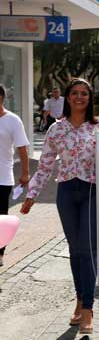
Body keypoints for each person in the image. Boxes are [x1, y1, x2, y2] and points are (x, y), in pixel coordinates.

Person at [21, 78, 99, 334]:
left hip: (92, 191)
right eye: (75, 93)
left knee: (88, 248)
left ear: (90, 97)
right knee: (75, 250)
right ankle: (80, 298)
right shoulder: (56, 129)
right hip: (66, 193)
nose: (79, 97)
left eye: (84, 93)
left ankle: (88, 311)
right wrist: (32, 194)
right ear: (67, 97)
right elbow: (46, 166)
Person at [0, 84, 30, 267]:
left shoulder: (13, 120)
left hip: (3, 178)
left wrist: (25, 173)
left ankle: (0, 253)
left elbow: (22, 149)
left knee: (1, 217)